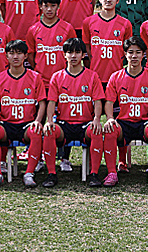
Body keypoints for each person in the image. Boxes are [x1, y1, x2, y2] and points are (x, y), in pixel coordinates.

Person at [42, 38, 105, 187]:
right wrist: (49, 121)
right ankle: (51, 174)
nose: (73, 56)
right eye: (70, 52)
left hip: (85, 124)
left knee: (96, 131)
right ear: (64, 55)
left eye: (77, 52)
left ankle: (94, 174)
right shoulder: (57, 77)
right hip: (64, 124)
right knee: (50, 131)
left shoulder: (92, 76)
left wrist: (97, 119)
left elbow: (97, 101)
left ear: (83, 55)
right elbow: (51, 102)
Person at [101, 37, 148, 187]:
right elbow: (109, 102)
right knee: (110, 129)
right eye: (130, 52)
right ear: (125, 54)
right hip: (124, 122)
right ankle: (112, 173)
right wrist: (110, 118)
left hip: (144, 122)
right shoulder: (116, 77)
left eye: (138, 52)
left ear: (143, 55)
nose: (134, 56)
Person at [26, 0, 77, 172]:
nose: (49, 9)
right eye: (45, 5)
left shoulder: (67, 28)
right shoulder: (33, 30)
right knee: (38, 119)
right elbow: (31, 56)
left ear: (58, 7)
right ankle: (39, 157)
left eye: (53, 6)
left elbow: (73, 54)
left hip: (64, 82)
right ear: (40, 7)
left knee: (65, 118)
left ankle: (64, 158)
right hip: (41, 82)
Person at [0, 40, 46, 188]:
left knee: (36, 131)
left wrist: (38, 121)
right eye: (11, 53)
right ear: (6, 56)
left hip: (27, 124)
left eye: (19, 53)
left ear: (25, 56)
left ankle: (29, 173)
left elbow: (42, 102)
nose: (15, 57)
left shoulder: (35, 77)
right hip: (7, 124)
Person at [82, 0, 133, 86]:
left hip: (117, 77)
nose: (109, 0)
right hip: (95, 77)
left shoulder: (125, 24)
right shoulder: (88, 22)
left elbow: (128, 50)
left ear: (117, 0)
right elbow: (86, 47)